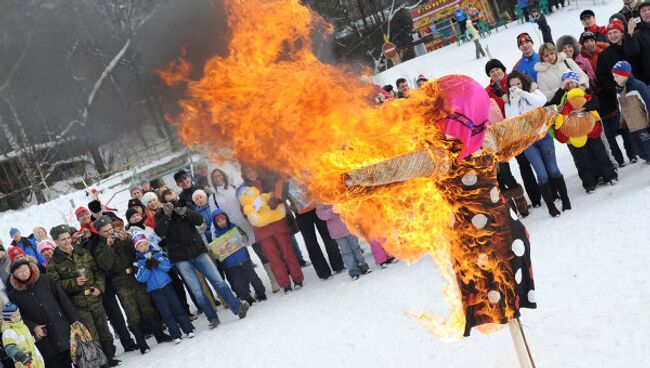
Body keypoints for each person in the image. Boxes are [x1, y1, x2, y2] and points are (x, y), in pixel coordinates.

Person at [154, 190, 250, 328]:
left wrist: (185, 211)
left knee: (218, 281)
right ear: (164, 203)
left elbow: (199, 220)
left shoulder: (186, 206)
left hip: (198, 251)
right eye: (170, 201)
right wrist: (167, 215)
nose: (174, 203)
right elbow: (159, 232)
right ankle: (212, 318)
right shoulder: (160, 214)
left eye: (175, 199)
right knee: (197, 291)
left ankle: (237, 308)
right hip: (180, 258)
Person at [93, 216, 171, 354]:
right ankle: (141, 342)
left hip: (135, 275)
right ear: (99, 232)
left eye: (111, 229)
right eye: (106, 231)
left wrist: (127, 240)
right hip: (120, 281)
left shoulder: (122, 237)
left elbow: (137, 251)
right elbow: (106, 265)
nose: (110, 232)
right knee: (132, 311)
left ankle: (159, 333)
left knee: (146, 305)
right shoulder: (99, 247)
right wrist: (108, 247)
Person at [45, 225, 120, 366]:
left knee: (104, 329)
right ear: (56, 241)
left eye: (68, 238)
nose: (67, 241)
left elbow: (97, 271)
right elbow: (55, 286)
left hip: (94, 298)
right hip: (77, 303)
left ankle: (110, 356)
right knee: (90, 334)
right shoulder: (54, 263)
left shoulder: (83, 252)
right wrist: (73, 282)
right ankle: (100, 362)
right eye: (62, 240)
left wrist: (99, 287)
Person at [504, 71, 571, 216]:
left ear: (523, 82)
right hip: (527, 142)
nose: (516, 87)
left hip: (543, 136)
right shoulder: (509, 102)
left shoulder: (534, 92)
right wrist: (515, 101)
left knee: (553, 170)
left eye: (518, 84)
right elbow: (512, 120)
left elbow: (541, 102)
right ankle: (551, 207)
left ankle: (565, 200)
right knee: (541, 174)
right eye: (512, 86)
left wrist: (524, 93)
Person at [209, 168, 280, 293]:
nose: (218, 178)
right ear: (212, 180)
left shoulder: (235, 188)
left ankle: (274, 281)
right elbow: (215, 216)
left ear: (224, 175)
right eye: (215, 177)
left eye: (220, 175)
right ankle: (252, 290)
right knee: (243, 262)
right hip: (233, 233)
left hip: (249, 226)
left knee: (263, 254)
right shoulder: (213, 197)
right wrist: (216, 236)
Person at [548, 71, 618, 192]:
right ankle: (589, 182)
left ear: (577, 82)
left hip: (590, 129)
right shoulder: (561, 97)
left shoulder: (585, 91)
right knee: (582, 159)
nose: (569, 86)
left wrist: (583, 108)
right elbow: (551, 105)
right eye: (567, 84)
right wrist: (561, 91)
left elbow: (596, 103)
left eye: (572, 82)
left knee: (599, 152)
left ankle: (609, 175)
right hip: (574, 134)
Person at [238, 169, 305, 293]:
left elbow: (280, 195)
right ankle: (285, 283)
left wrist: (274, 200)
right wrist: (251, 213)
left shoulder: (268, 182)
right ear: (244, 174)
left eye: (253, 170)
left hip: (278, 223)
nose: (252, 173)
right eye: (248, 172)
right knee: (273, 258)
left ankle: (297, 278)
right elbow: (244, 209)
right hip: (262, 228)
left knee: (288, 252)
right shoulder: (243, 190)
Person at [7, 259, 79, 368]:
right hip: (44, 337)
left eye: (25, 269)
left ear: (30, 268)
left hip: (62, 327)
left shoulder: (45, 279)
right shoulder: (14, 294)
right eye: (19, 272)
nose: (24, 273)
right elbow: (20, 316)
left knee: (75, 358)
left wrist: (74, 320)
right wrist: (33, 327)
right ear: (15, 275)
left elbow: (63, 300)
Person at [133, 234, 195, 345]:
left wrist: (158, 264)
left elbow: (167, 266)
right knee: (166, 313)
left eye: (145, 244)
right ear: (137, 248)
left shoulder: (157, 253)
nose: (144, 247)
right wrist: (147, 267)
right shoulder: (137, 262)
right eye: (140, 246)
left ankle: (188, 329)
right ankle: (175, 335)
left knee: (178, 308)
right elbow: (141, 278)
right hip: (155, 291)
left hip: (167, 286)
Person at [596, 19, 639, 167]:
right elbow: (601, 76)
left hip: (638, 88)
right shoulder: (604, 55)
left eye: (616, 32)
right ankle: (633, 153)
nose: (613, 35)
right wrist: (613, 89)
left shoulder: (630, 46)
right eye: (610, 33)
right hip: (620, 95)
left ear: (622, 32)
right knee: (628, 125)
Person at [285, 178, 343, 280]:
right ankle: (323, 272)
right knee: (311, 243)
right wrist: (289, 205)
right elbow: (279, 196)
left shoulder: (305, 167)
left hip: (318, 207)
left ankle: (338, 265)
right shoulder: (282, 177)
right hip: (301, 214)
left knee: (328, 236)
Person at [210, 210, 266, 303]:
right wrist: (218, 253)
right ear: (215, 223)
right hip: (231, 264)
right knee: (238, 283)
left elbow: (245, 238)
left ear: (226, 218)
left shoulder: (234, 226)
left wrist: (240, 239)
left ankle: (261, 294)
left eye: (223, 219)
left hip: (243, 258)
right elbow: (217, 251)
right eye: (219, 221)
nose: (222, 222)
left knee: (252, 276)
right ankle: (247, 298)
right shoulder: (216, 234)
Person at [315, 204, 370, 280]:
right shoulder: (321, 198)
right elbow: (320, 214)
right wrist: (332, 211)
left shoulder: (340, 193)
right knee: (346, 252)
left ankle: (363, 265)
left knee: (356, 248)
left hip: (350, 227)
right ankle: (353, 271)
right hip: (337, 232)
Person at [612, 60, 650, 162]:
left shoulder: (638, 86)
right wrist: (620, 125)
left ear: (625, 75)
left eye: (617, 76)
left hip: (643, 125)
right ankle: (646, 158)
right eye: (614, 76)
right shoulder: (619, 91)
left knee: (647, 146)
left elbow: (648, 104)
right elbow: (620, 110)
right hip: (631, 127)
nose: (614, 79)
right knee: (638, 149)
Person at [2, 304, 45, 368]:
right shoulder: (8, 332)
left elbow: (27, 341)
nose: (17, 318)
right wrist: (22, 357)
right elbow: (10, 349)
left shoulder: (23, 326)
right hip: (24, 364)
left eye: (18, 314)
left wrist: (36, 338)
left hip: (36, 361)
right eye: (13, 317)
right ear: (7, 318)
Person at [626, 0, 650, 84]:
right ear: (640, 15)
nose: (647, 12)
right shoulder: (638, 34)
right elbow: (632, 52)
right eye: (643, 11)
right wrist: (630, 33)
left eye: (649, 9)